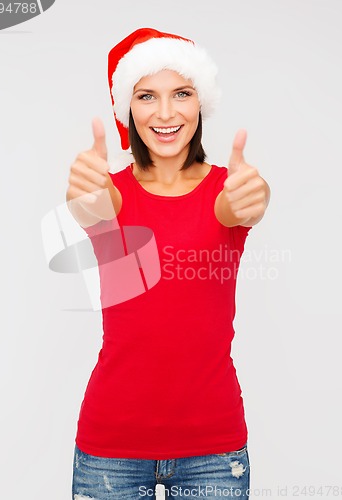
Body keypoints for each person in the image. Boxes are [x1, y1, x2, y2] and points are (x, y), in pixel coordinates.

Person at [66, 27, 270, 500]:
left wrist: (254, 198)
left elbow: (240, 207)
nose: (164, 113)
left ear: (201, 103)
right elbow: (93, 205)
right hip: (110, 450)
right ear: (127, 109)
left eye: (181, 93)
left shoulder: (228, 189)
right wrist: (82, 194)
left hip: (214, 451)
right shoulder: (110, 193)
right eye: (146, 96)